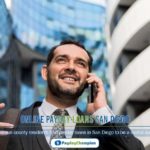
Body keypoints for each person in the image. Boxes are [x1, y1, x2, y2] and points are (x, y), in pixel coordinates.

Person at [1, 40, 144, 150]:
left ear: (88, 77)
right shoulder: (10, 121)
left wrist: (102, 111)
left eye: (80, 63)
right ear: (45, 72)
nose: (71, 67)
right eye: (62, 60)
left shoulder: (102, 133)